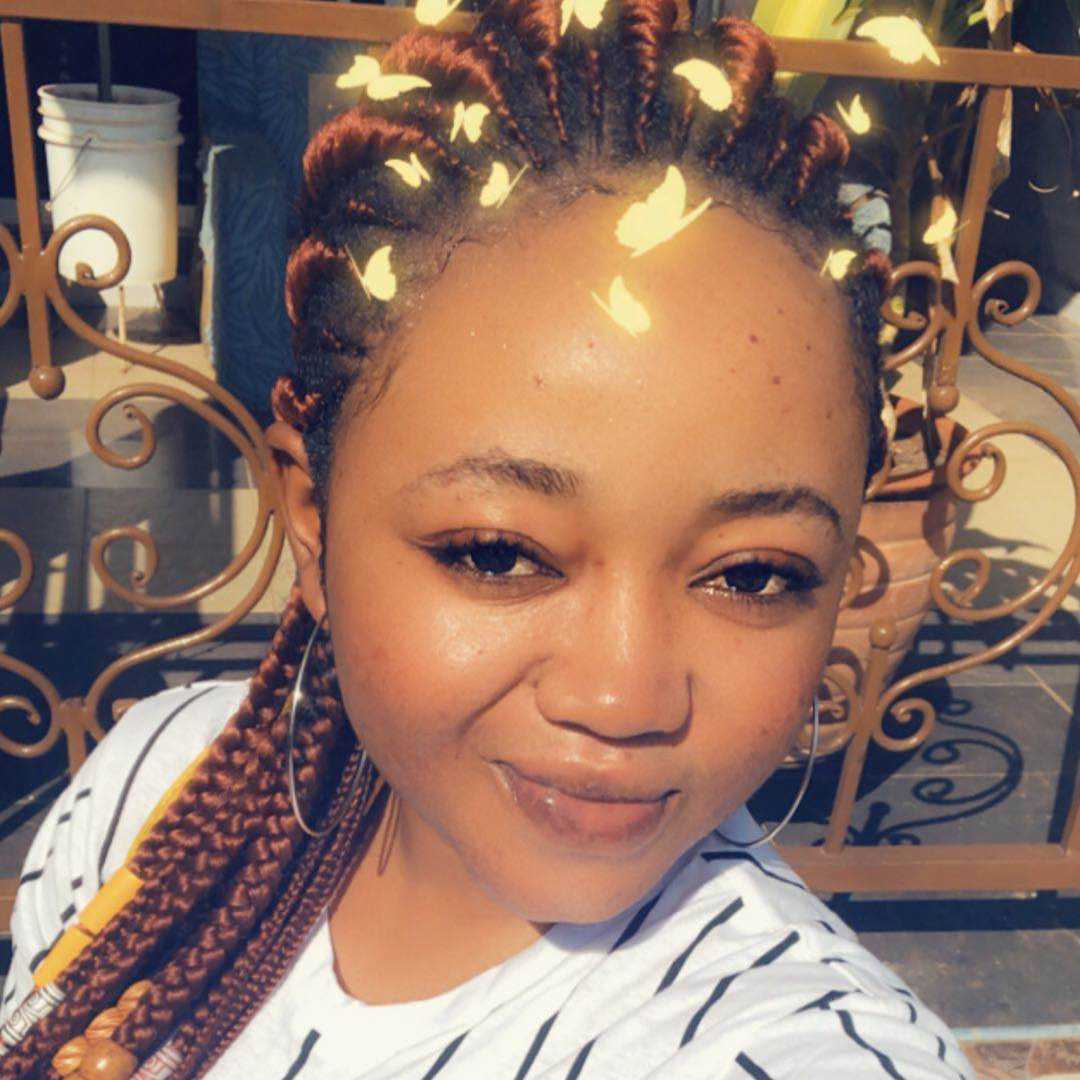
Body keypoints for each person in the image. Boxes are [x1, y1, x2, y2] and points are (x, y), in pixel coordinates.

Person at [0, 4, 974, 1077]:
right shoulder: (156, 792)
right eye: (498, 554)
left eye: (753, 574)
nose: (624, 699)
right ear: (313, 523)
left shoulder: (793, 1044)